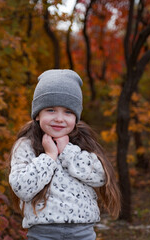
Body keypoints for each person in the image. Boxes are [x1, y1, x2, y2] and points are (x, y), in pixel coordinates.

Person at [9, 69, 121, 240]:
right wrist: (49, 156)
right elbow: (22, 188)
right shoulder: (26, 145)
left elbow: (100, 177)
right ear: (38, 114)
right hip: (43, 233)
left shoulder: (83, 143)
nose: (60, 118)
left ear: (76, 117)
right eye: (51, 110)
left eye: (68, 112)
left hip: (82, 232)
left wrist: (68, 151)